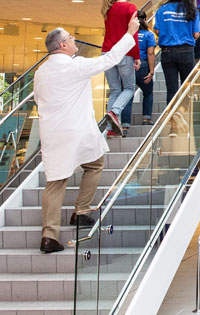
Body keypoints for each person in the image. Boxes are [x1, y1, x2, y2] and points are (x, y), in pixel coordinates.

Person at [33, 15, 138, 254]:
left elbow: (39, 100)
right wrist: (130, 33)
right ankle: (81, 211)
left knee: (56, 182)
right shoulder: (75, 65)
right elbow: (110, 59)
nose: (73, 40)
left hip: (51, 132)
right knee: (95, 164)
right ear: (62, 46)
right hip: (77, 131)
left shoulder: (41, 72)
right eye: (70, 38)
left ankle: (49, 236)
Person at [100, 0, 138, 137]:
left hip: (107, 53)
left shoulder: (108, 9)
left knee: (115, 90)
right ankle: (115, 112)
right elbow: (133, 33)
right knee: (129, 88)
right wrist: (136, 56)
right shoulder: (131, 8)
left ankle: (111, 129)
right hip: (124, 53)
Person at [153, 0, 200, 107]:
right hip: (186, 50)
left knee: (171, 88)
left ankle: (172, 118)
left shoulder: (162, 9)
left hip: (167, 52)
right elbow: (196, 34)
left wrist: (167, 33)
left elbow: (157, 30)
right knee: (186, 86)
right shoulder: (192, 10)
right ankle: (183, 115)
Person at [130, 11, 156, 126]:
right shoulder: (149, 35)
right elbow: (151, 53)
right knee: (148, 93)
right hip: (144, 65)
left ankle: (125, 123)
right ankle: (147, 119)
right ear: (145, 20)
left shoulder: (129, 34)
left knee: (128, 92)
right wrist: (151, 71)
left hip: (129, 65)